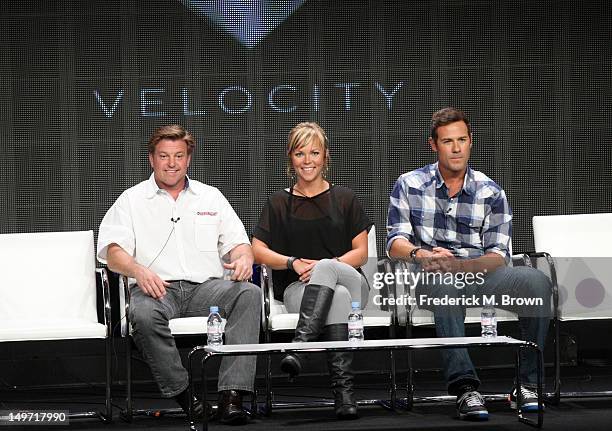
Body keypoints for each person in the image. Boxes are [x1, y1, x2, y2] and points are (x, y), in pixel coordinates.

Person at [386, 107, 552, 421]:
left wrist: (461, 266)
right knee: (443, 283)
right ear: (433, 145)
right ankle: (465, 389)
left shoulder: (491, 192)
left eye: (462, 139)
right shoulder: (409, 184)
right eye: (448, 141)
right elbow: (395, 242)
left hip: (478, 274)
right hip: (432, 277)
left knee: (536, 282)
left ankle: (528, 385)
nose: (457, 148)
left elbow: (497, 256)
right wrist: (424, 256)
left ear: (471, 141)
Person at [97, 125, 260, 425]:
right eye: (164, 156)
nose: (171, 163)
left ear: (188, 160)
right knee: (143, 315)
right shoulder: (132, 200)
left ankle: (232, 397)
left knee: (249, 294)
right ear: (151, 159)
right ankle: (187, 398)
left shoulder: (210, 197)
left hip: (206, 290)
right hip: (158, 288)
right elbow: (112, 252)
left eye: (178, 156)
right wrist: (138, 271)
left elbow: (239, 244)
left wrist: (243, 260)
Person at [252, 122, 372, 420]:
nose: (307, 160)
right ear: (290, 158)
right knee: (338, 296)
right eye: (300, 153)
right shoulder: (278, 203)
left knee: (334, 274)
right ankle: (344, 393)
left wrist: (325, 266)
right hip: (300, 291)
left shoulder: (345, 198)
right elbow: (257, 250)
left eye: (314, 152)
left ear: (326, 156)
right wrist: (292, 262)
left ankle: (301, 347)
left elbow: (361, 253)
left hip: (352, 280)